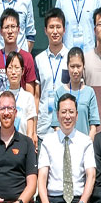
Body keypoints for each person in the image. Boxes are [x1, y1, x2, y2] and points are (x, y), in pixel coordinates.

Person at [0, 8, 36, 103]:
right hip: (1, 109)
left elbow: (30, 94)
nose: (10, 31)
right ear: (0, 31)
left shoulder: (27, 58)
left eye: (13, 27)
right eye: (6, 27)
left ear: (18, 29)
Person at [35, 8, 69, 141]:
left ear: (64, 30)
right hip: (44, 127)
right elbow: (36, 96)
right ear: (45, 30)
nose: (55, 31)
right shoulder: (39, 59)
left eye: (58, 27)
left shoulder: (71, 58)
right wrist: (34, 129)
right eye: (51, 27)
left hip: (66, 126)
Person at [51, 47, 100, 139]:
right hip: (64, 144)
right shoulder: (59, 92)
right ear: (67, 66)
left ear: (83, 66)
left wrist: (88, 143)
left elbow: (93, 125)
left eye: (78, 66)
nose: (75, 71)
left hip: (84, 144)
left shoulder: (90, 92)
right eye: (72, 66)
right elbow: (56, 125)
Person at [0, 52, 37, 143]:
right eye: (10, 68)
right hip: (2, 145)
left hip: (22, 145)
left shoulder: (28, 97)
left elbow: (30, 132)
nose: (13, 72)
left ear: (22, 71)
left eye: (17, 68)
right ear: (6, 71)